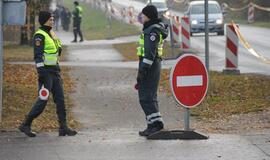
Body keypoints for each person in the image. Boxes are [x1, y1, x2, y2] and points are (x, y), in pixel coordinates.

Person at [18, 11, 77, 137]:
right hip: (46, 73)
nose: (52, 21)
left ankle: (63, 127)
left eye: (53, 19)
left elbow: (57, 49)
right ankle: (26, 124)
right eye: (50, 19)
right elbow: (38, 56)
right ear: (44, 20)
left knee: (60, 99)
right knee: (43, 100)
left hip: (55, 71)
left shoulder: (51, 33)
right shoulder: (39, 36)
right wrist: (41, 73)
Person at [136, 5, 168, 137]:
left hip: (149, 66)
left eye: (143, 15)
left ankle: (156, 125)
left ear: (148, 16)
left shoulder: (151, 31)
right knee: (149, 96)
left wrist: (142, 71)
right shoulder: (154, 28)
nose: (141, 17)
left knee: (145, 97)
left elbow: (149, 54)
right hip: (153, 65)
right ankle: (152, 124)